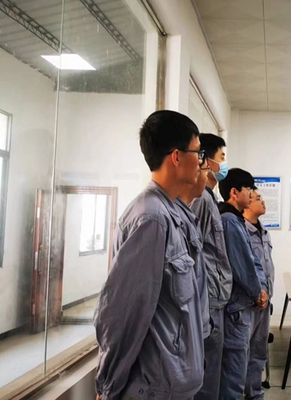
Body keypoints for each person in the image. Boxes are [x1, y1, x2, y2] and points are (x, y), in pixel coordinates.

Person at [94, 110, 206, 400]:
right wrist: (108, 386)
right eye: (198, 152)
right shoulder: (152, 219)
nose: (201, 161)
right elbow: (123, 312)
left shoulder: (171, 212)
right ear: (177, 156)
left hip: (171, 383)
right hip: (154, 387)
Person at [218, 168, 268, 400]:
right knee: (233, 375)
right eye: (248, 189)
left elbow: (253, 260)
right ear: (234, 193)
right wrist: (257, 292)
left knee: (241, 365)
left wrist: (261, 289)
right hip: (236, 308)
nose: (251, 193)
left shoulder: (236, 220)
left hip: (243, 305)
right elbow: (243, 265)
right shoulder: (229, 221)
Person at [191, 133, 233, 400]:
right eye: (222, 157)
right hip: (209, 301)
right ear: (205, 160)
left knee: (214, 372)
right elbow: (194, 254)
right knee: (208, 378)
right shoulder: (201, 201)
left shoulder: (209, 199)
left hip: (215, 299)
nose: (224, 164)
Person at [175, 149, 212, 344]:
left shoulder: (188, 216)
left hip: (196, 325)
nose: (207, 175)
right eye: (205, 169)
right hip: (182, 334)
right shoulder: (155, 218)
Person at [243, 190, 276, 400]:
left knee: (259, 351)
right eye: (257, 199)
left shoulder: (264, 232)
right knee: (242, 352)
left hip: (265, 301)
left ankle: (255, 393)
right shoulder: (241, 232)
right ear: (246, 204)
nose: (262, 201)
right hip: (250, 302)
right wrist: (256, 292)